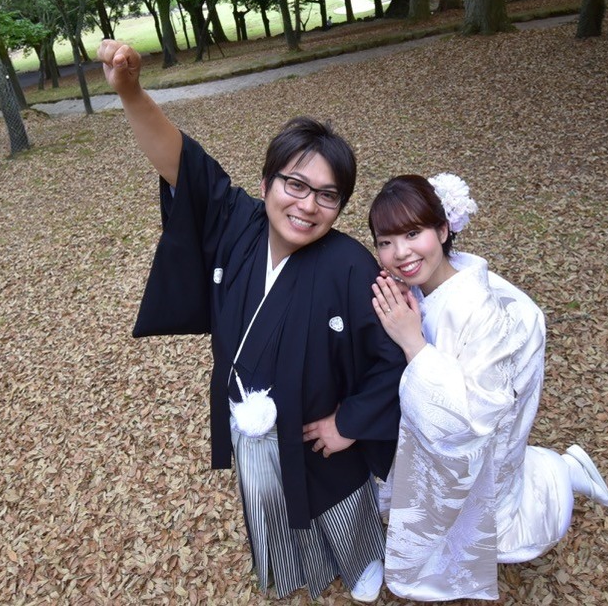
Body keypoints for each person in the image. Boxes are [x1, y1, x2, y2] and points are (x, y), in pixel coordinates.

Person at [97, 39, 405, 602]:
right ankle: (288, 570)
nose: (307, 206)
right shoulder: (236, 225)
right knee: (269, 501)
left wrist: (351, 423)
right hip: (254, 422)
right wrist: (132, 92)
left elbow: (394, 358)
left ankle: (363, 560)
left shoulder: (351, 266)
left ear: (340, 208)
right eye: (295, 184)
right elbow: (182, 165)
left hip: (321, 437)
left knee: (341, 503)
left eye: (327, 196)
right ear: (265, 185)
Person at [367, 173, 608, 602]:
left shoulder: (476, 310)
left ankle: (560, 477)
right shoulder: (423, 283)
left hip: (466, 433)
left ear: (443, 230)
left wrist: (413, 343)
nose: (400, 253)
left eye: (413, 233)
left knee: (489, 514)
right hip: (423, 432)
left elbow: (466, 419)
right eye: (385, 241)